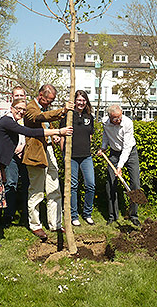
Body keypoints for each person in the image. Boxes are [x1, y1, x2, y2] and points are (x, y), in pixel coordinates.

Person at [0, 99, 73, 247]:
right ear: (11, 108)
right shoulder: (7, 121)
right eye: (18, 108)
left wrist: (2, 169)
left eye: (23, 110)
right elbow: (30, 132)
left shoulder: (10, 123)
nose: (21, 111)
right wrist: (58, 131)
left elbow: (1, 147)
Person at [22, 84, 74, 241]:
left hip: (49, 150)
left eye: (52, 101)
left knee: (54, 188)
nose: (49, 104)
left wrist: (54, 136)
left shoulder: (45, 109)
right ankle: (35, 225)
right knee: (36, 191)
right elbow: (39, 118)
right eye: (48, 100)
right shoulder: (30, 108)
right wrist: (62, 111)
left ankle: (55, 223)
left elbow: (47, 123)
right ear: (40, 95)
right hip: (36, 154)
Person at [97, 105, 141, 227]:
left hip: (130, 152)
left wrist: (119, 166)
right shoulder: (105, 122)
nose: (119, 120)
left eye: (120, 117)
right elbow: (106, 135)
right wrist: (104, 147)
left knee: (135, 183)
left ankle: (134, 215)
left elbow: (126, 148)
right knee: (110, 183)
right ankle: (112, 215)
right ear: (110, 117)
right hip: (114, 153)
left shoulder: (127, 123)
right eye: (115, 118)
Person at [60, 90, 96, 226]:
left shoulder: (89, 116)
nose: (81, 103)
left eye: (83, 100)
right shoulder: (68, 115)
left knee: (91, 185)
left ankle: (87, 213)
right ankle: (73, 215)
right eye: (79, 100)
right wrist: (64, 154)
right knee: (73, 186)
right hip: (71, 156)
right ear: (74, 101)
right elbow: (62, 135)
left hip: (86, 156)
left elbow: (90, 135)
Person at [2, 86, 29, 227]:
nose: (19, 97)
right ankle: (8, 215)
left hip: (26, 154)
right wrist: (14, 150)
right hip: (12, 155)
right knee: (11, 184)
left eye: (21, 95)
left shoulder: (27, 115)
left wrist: (24, 147)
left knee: (26, 184)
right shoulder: (7, 115)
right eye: (16, 95)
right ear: (12, 97)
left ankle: (26, 215)